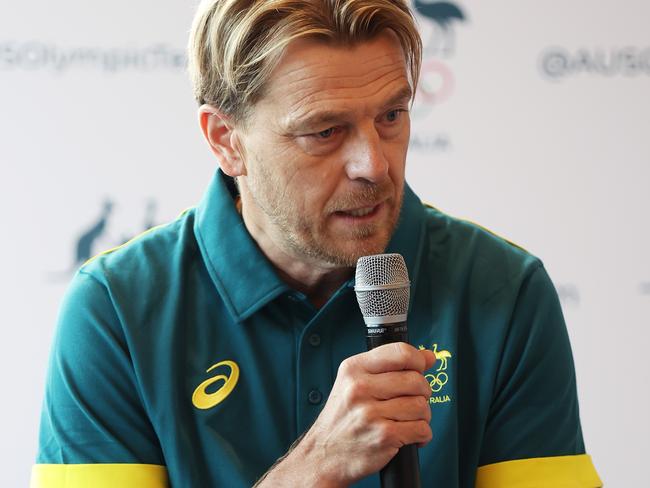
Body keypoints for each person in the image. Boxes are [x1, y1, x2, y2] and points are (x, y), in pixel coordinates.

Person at [31, 0, 602, 486]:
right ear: (226, 140)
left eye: (392, 116)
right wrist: (313, 468)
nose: (373, 164)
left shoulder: (504, 290)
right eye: (325, 131)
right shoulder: (115, 309)